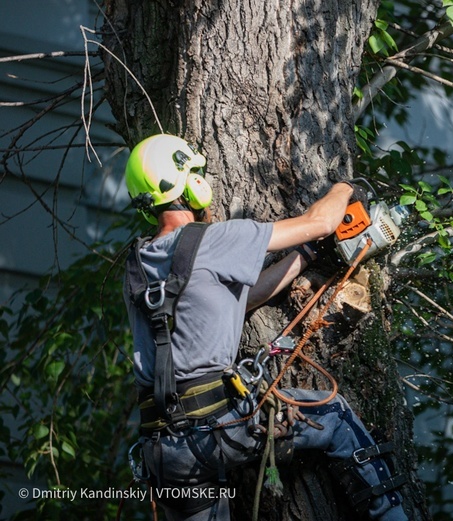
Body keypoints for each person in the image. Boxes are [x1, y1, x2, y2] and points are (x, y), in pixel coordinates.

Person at [123, 134, 407, 521]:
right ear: (191, 184)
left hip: (164, 450)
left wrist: (304, 257)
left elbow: (239, 300)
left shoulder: (138, 264)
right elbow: (320, 222)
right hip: (216, 431)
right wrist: (348, 187)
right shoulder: (214, 240)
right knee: (334, 414)